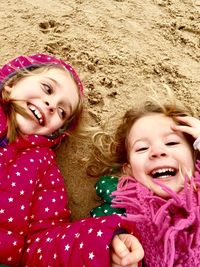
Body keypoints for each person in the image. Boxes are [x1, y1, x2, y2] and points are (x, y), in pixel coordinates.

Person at [0, 54, 144, 267]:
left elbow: (42, 241)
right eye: (47, 88)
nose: (51, 105)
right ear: (12, 82)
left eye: (61, 111)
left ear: (57, 130)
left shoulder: (43, 166)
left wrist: (100, 245)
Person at [88, 92, 200, 267]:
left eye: (171, 143)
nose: (157, 151)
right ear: (129, 170)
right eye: (142, 148)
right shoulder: (125, 212)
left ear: (194, 158)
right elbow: (101, 235)